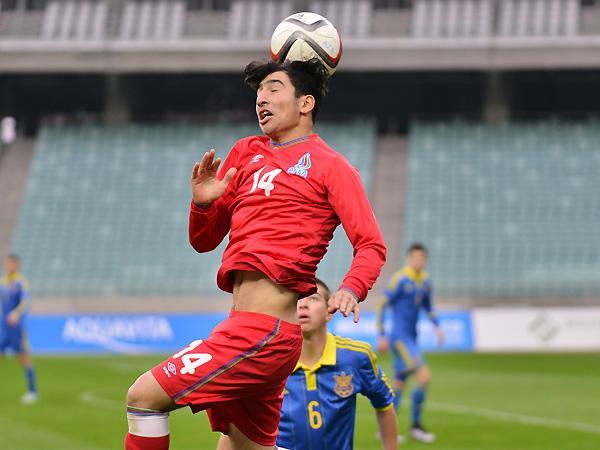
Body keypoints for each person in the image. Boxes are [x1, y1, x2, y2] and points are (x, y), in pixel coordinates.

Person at [124, 59, 386, 450]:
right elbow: (204, 240)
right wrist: (203, 204)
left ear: (306, 103)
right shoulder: (246, 153)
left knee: (143, 397)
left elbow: (371, 244)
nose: (261, 99)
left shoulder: (332, 167)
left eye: (274, 89)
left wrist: (352, 287)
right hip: (243, 327)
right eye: (259, 92)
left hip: (264, 335)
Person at [276, 278, 397, 450]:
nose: (303, 305)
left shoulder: (356, 357)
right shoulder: (271, 362)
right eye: (297, 299)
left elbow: (384, 404)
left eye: (313, 298)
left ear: (329, 311)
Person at [376, 243, 443, 444]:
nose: (418, 261)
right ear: (409, 259)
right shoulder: (400, 279)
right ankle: (416, 426)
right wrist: (381, 334)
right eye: (414, 257)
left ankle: (386, 428)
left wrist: (437, 327)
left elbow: (428, 306)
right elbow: (381, 304)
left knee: (399, 382)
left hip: (412, 338)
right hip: (400, 338)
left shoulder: (425, 281)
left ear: (425, 260)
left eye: (421, 258)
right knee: (423, 376)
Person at [1, 254, 38, 404]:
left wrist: (16, 314)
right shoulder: (3, 282)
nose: (10, 266)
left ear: (17, 265)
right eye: (8, 263)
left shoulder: (21, 282)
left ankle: (32, 391)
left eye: (13, 264)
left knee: (23, 357)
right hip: (3, 326)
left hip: (17, 326)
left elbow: (26, 302)